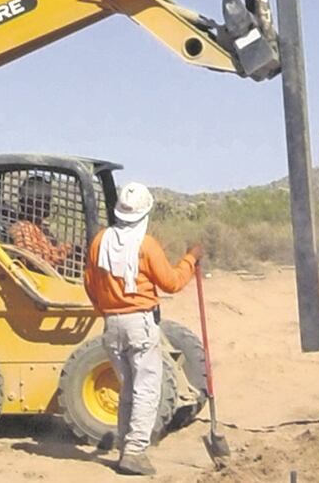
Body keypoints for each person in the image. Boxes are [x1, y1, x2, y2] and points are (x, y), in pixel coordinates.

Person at [84, 182, 202, 477]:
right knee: (146, 389)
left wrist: (106, 311)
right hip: (140, 322)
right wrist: (191, 259)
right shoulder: (146, 245)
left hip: (111, 323)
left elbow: (89, 283)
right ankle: (134, 452)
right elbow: (171, 283)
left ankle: (126, 445)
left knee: (128, 390)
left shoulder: (100, 241)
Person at [8, 175, 72, 269]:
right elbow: (36, 263)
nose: (47, 204)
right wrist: (68, 250)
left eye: (47, 200)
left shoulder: (42, 229)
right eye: (43, 200)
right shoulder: (22, 229)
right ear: (30, 202)